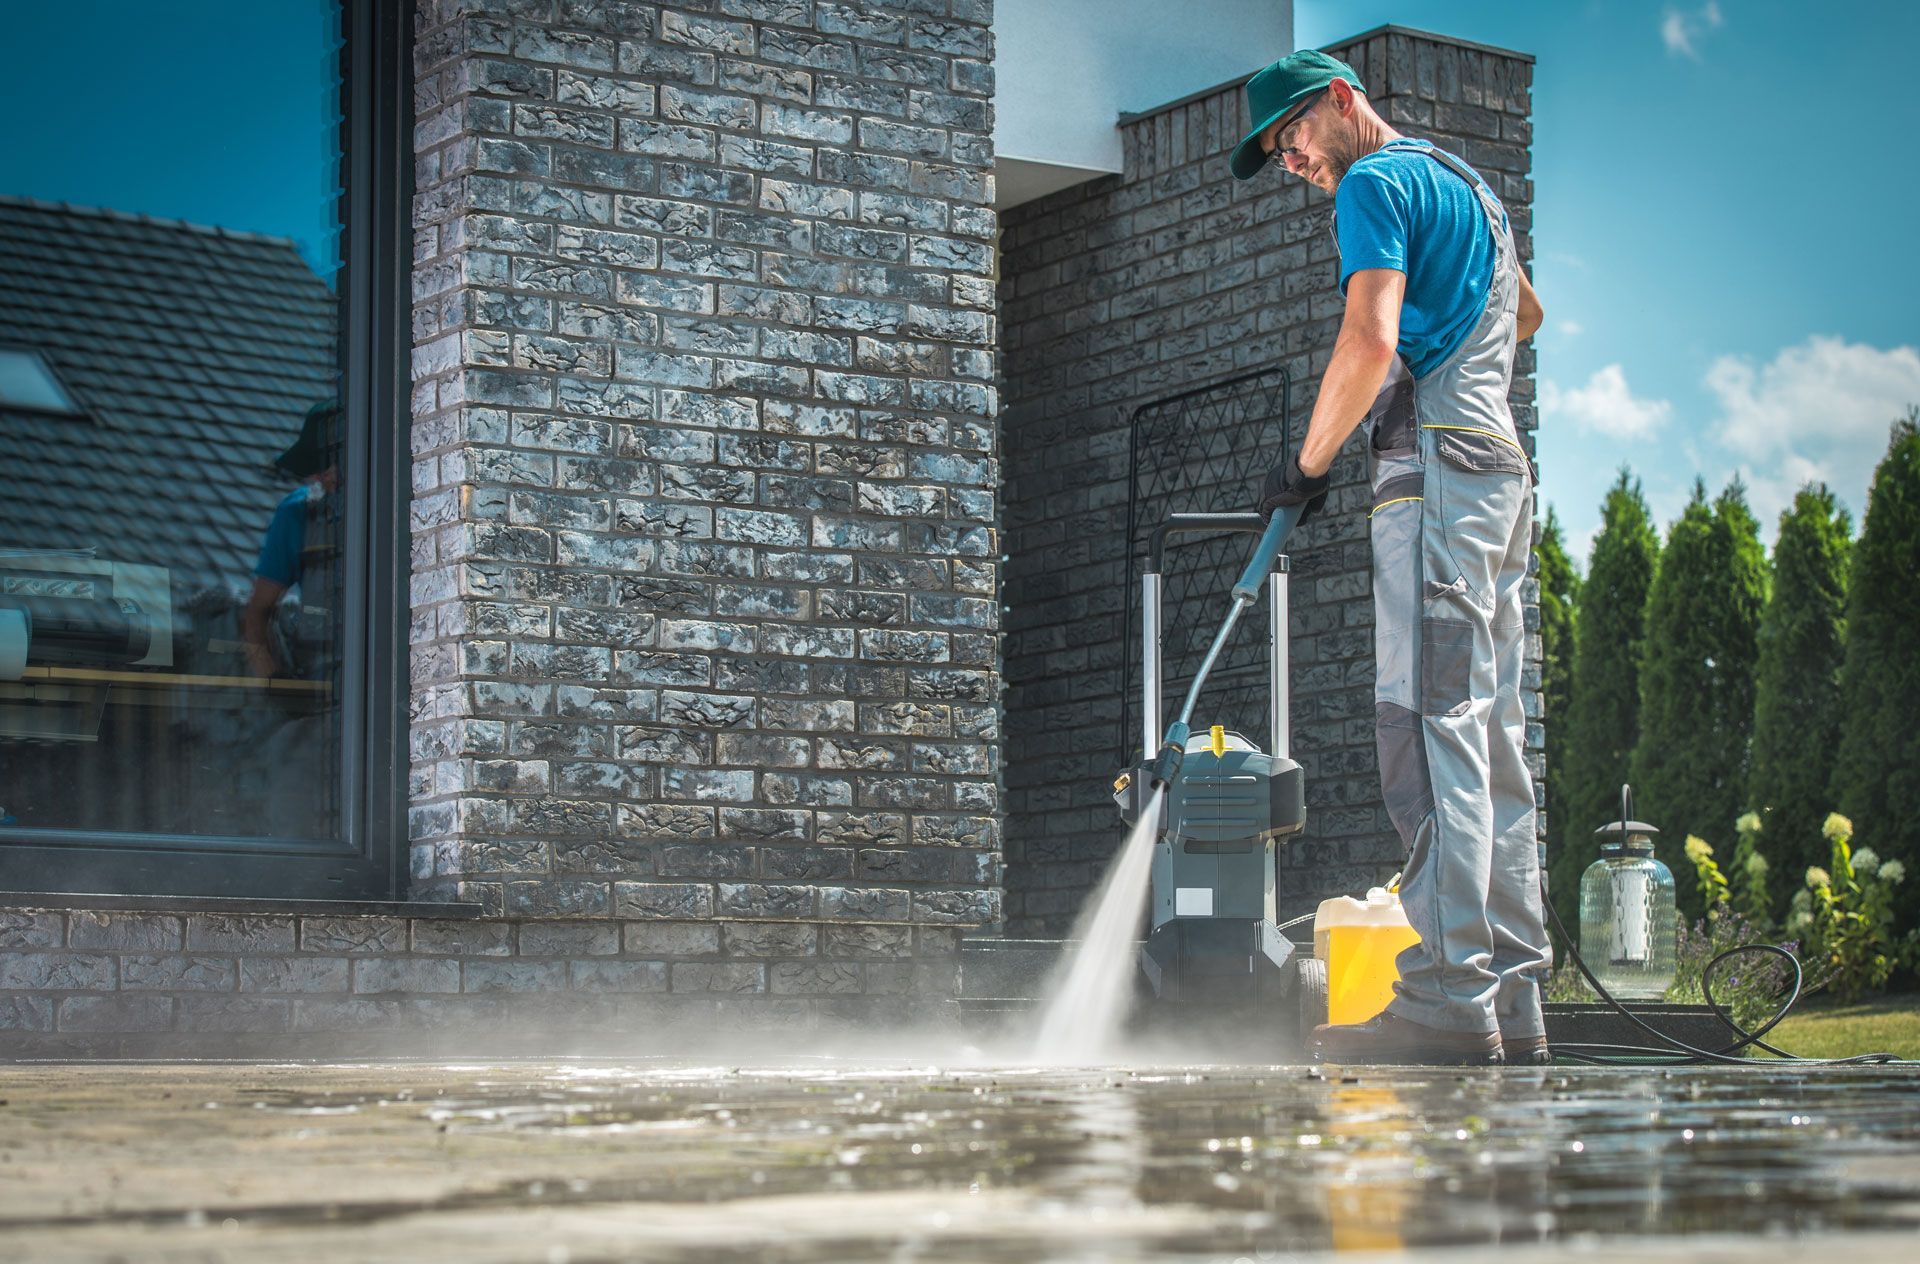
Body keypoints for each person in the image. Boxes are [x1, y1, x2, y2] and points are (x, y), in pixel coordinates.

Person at [1232, 51, 1551, 1065]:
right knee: (1489, 729)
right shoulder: (1470, 189)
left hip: (1439, 478)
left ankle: (1451, 996)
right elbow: (1527, 316)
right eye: (1277, 153)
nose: (1290, 159)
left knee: (1430, 721)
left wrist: (1305, 465)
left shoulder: (1372, 182)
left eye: (1290, 134)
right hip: (1498, 468)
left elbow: (1367, 342)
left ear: (1339, 97)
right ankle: (1511, 997)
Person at [243, 399, 339, 679]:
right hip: (321, 688)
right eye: (316, 469)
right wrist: (274, 684)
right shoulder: (298, 514)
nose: (320, 478)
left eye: (327, 466)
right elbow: (256, 616)